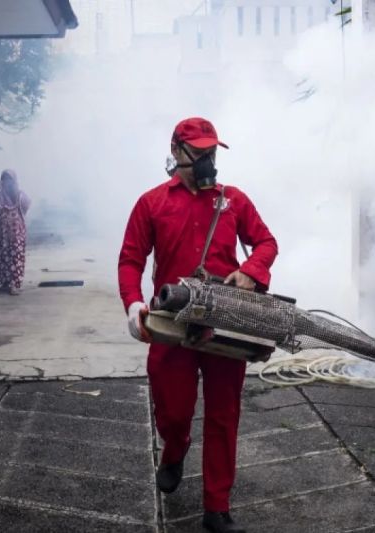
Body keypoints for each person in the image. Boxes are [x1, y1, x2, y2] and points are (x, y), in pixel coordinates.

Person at [118, 117, 278, 533]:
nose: (207, 160)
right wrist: (134, 305)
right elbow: (131, 260)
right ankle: (175, 448)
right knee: (173, 409)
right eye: (199, 153)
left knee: (224, 414)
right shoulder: (151, 203)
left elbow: (266, 243)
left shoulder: (233, 200)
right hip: (171, 323)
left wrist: (250, 270)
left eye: (212, 152)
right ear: (176, 152)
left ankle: (217, 507)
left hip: (224, 322)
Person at [0, 169, 31, 295]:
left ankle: (14, 284)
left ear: (14, 181)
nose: (7, 182)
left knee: (14, 257)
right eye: (5, 179)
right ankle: (5, 283)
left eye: (10, 179)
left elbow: (26, 204)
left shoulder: (19, 194)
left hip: (15, 233)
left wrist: (15, 192)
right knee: (1, 257)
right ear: (1, 180)